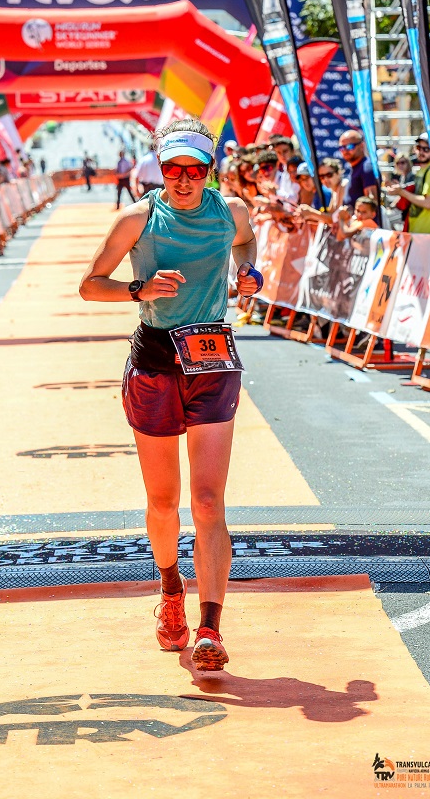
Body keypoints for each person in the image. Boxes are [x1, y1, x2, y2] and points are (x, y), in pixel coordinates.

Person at [80, 118, 263, 672]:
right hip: (157, 362)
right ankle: (169, 590)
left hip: (212, 360)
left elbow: (246, 243)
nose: (183, 180)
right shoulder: (137, 218)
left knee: (208, 502)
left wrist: (248, 271)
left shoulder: (232, 212)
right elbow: (90, 285)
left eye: (195, 170)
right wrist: (140, 288)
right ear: (160, 169)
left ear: (211, 170)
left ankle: (210, 628)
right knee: (164, 502)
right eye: (173, 169)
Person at [385, 133, 430, 234]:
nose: (421, 152)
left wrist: (401, 192)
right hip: (418, 231)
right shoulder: (422, 170)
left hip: (429, 232)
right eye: (418, 148)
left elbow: (428, 203)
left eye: (426, 149)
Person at [339, 129, 378, 211]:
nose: (345, 151)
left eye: (349, 146)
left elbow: (371, 204)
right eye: (342, 148)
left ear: (361, 146)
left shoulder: (367, 167)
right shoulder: (355, 167)